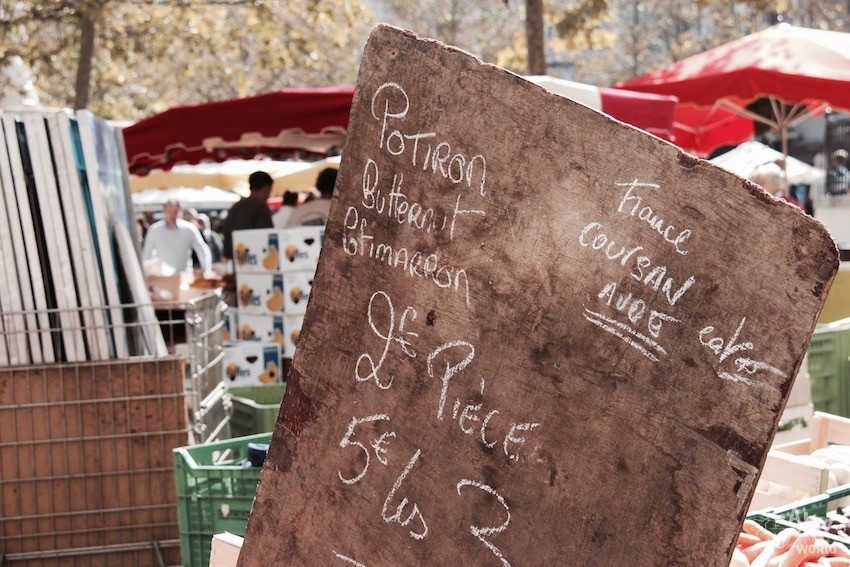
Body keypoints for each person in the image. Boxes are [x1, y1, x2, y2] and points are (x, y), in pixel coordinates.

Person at [142, 200, 212, 273]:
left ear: (180, 212)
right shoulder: (154, 230)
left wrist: (206, 269)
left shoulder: (189, 229)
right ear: (164, 211)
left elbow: (202, 249)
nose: (172, 215)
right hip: (162, 277)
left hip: (185, 275)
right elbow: (147, 254)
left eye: (175, 211)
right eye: (169, 211)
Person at [223, 171, 274, 260]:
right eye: (269, 191)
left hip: (238, 262)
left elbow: (227, 245)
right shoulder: (260, 207)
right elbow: (268, 238)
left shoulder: (235, 207)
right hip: (258, 262)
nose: (269, 195)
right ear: (266, 188)